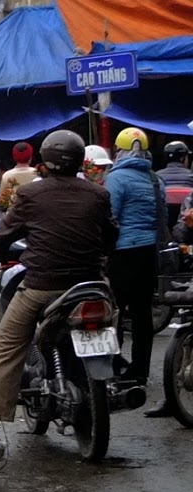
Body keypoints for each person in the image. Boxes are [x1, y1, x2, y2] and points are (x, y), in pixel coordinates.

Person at [0, 130, 116, 440]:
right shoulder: (98, 194)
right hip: (92, 285)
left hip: (42, 286)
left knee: (5, 347)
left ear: (45, 162)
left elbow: (5, 234)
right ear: (81, 161)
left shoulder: (31, 194)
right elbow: (110, 236)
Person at [104, 128, 164, 391]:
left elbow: (110, 216)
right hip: (149, 252)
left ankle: (114, 366)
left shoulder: (116, 179)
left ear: (120, 150)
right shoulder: (155, 179)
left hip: (123, 252)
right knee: (142, 315)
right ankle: (140, 371)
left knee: (115, 313)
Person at [0, 141, 38, 212]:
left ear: (14, 157)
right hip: (34, 215)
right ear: (30, 157)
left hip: (14, 216)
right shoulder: (37, 173)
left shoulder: (7, 175)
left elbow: (2, 202)